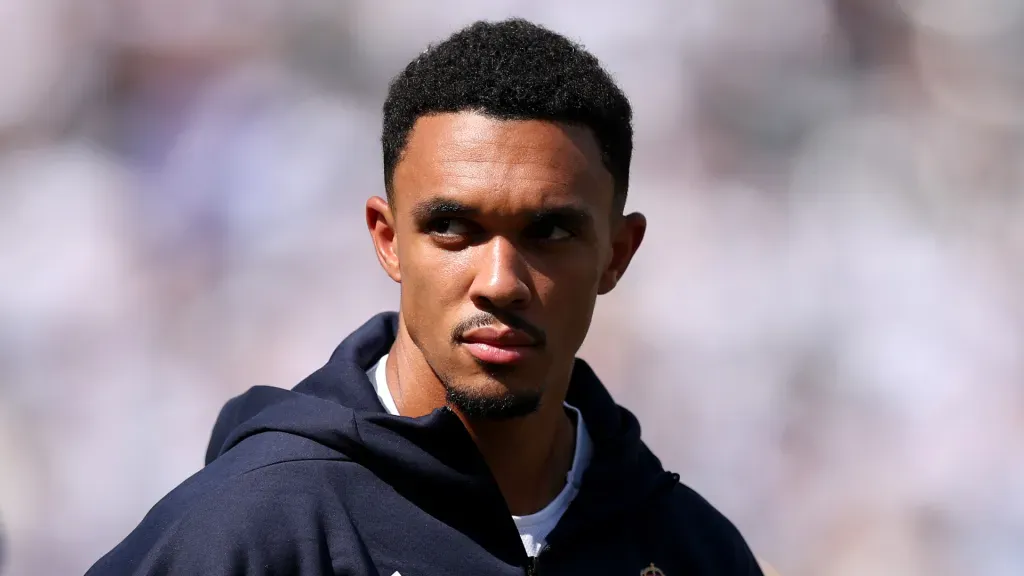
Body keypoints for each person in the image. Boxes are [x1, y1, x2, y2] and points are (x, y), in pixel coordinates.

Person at [88, 19, 772, 575]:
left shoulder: (693, 551)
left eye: (550, 231)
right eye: (452, 227)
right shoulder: (250, 533)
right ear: (388, 240)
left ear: (617, 254)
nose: (499, 281)